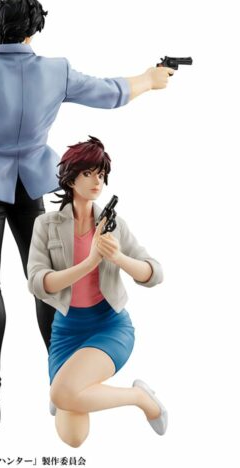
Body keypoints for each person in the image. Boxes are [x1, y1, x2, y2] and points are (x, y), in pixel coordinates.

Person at [0, 0, 174, 426]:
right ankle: (64, 380)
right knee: (45, 285)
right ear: (34, 31)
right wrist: (148, 79)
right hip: (32, 186)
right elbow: (109, 92)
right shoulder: (55, 71)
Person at [27, 136, 167, 447]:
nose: (97, 181)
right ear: (70, 178)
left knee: (62, 394)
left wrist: (119, 258)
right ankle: (72, 389)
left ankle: (141, 398)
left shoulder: (114, 226)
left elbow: (154, 273)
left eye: (101, 175)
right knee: (74, 438)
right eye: (88, 173)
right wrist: (90, 262)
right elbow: (37, 282)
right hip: (65, 331)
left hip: (109, 327)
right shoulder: (46, 225)